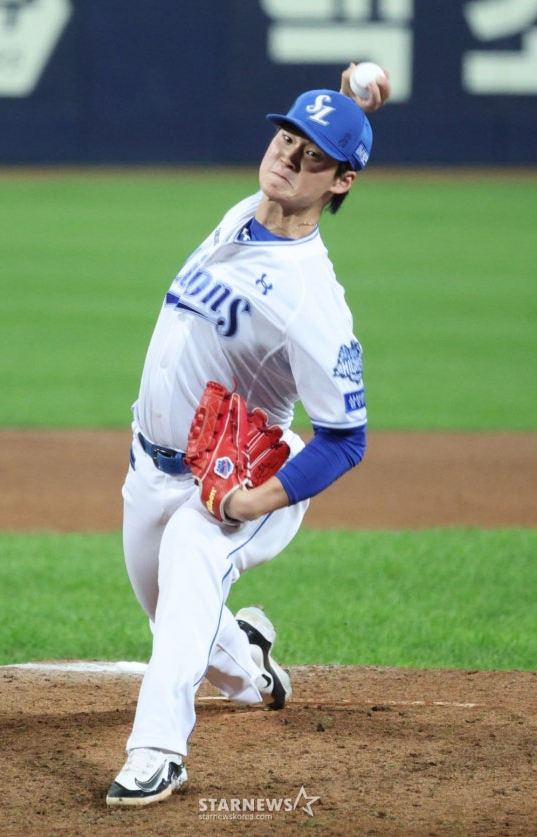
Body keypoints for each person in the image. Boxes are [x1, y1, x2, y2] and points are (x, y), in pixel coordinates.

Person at [106, 64, 391, 807]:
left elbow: (345, 439)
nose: (289, 157)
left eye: (314, 157)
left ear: (342, 183)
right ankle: (251, 665)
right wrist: (343, 109)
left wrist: (251, 502)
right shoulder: (249, 210)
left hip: (232, 481)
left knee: (189, 566)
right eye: (288, 137)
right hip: (149, 466)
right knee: (177, 615)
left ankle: (157, 751)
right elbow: (318, 139)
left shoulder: (312, 302)